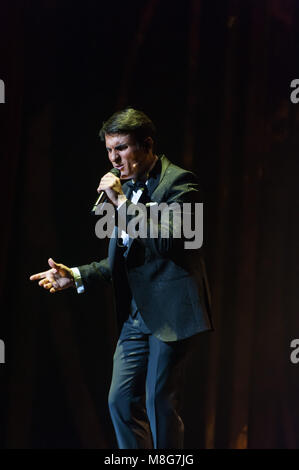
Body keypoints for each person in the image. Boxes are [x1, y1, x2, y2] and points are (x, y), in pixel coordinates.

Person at [30, 108, 213, 449]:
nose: (115, 159)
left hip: (171, 313)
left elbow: (170, 241)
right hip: (135, 316)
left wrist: (122, 203)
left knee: (160, 402)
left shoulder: (180, 183)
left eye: (123, 149)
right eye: (110, 150)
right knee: (120, 401)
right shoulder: (128, 191)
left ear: (147, 145)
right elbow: (125, 260)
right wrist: (77, 275)